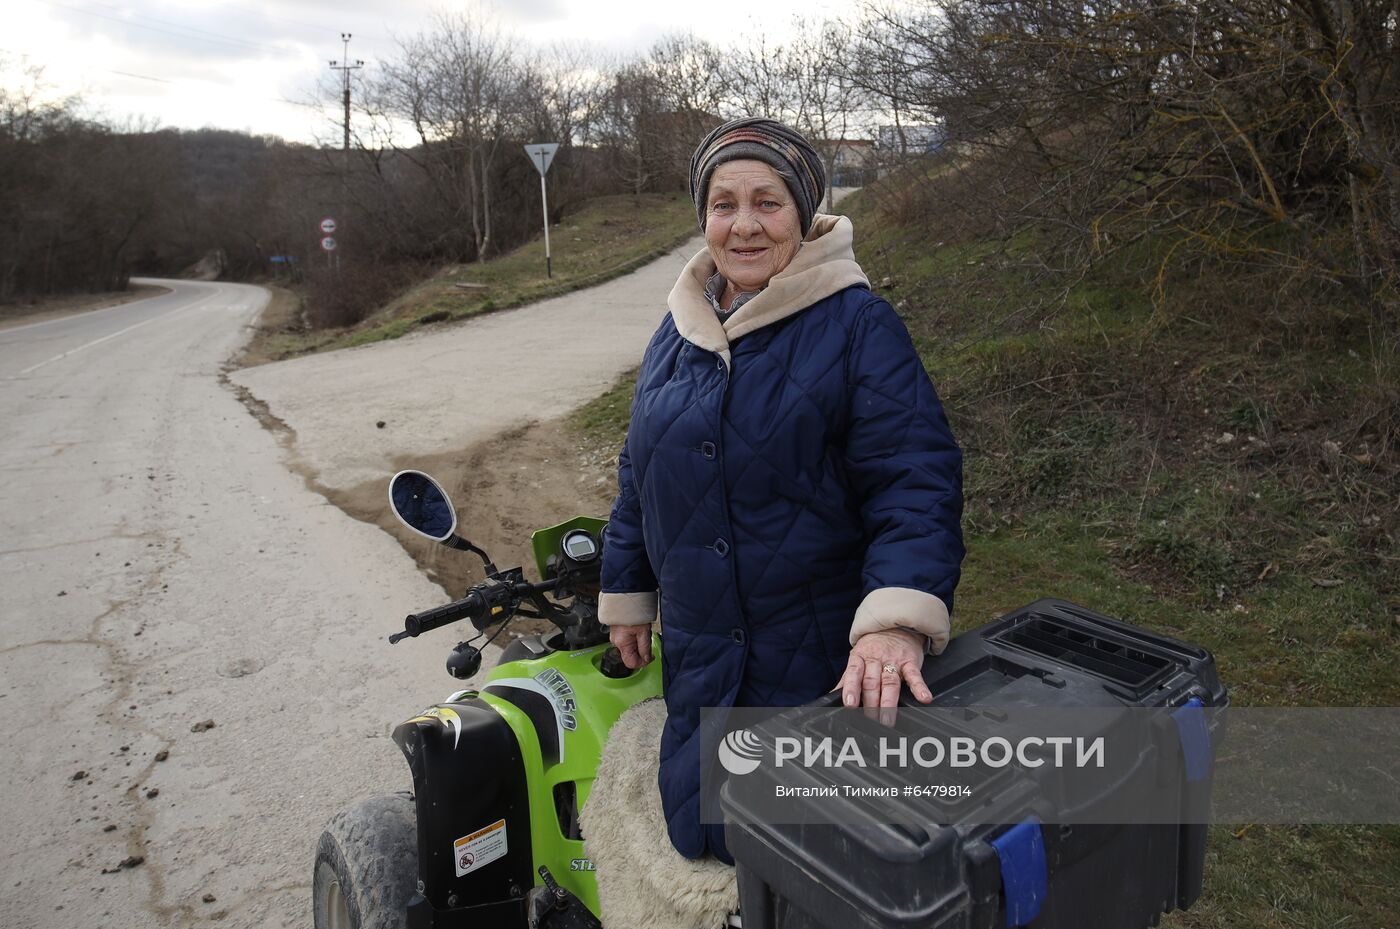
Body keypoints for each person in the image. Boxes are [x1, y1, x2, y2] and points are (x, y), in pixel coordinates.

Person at [598, 116, 964, 863]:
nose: (744, 226)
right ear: (703, 216)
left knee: (811, 864)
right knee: (711, 850)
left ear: (804, 211)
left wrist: (895, 621)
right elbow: (641, 467)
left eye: (767, 202)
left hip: (817, 668)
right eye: (724, 203)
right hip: (703, 663)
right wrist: (628, 590)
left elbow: (913, 479)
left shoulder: (858, 323)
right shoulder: (677, 329)